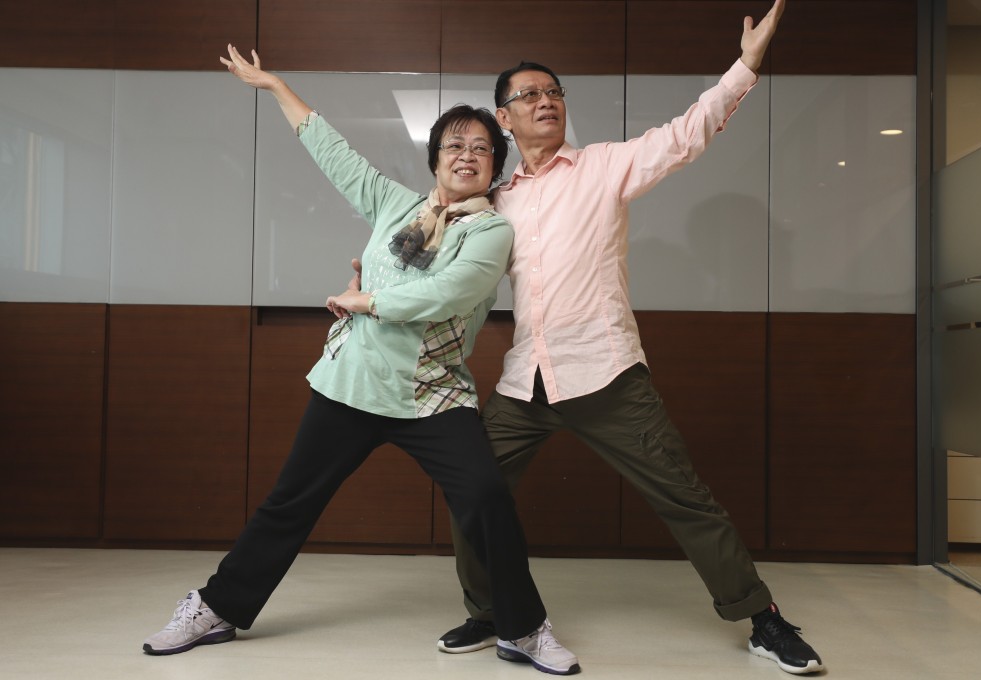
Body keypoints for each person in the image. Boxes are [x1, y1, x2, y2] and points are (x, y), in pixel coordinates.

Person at [140, 44, 581, 677]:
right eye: (455, 145)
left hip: (431, 392)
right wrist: (274, 85)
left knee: (486, 498)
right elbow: (330, 149)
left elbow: (447, 293)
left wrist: (366, 299)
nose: (466, 156)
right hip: (351, 383)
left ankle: (523, 629)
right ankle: (216, 608)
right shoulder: (394, 205)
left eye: (481, 149)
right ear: (435, 159)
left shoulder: (489, 232)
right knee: (289, 503)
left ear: (494, 167)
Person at [433, 0, 824, 675]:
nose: (546, 102)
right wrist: (375, 272)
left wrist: (745, 65)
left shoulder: (605, 166)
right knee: (474, 489)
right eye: (529, 96)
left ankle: (762, 619)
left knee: (686, 497)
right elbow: (435, 249)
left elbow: (687, 134)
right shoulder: (496, 200)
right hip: (526, 380)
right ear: (505, 117)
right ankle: (491, 610)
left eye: (553, 92)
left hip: (607, 374)